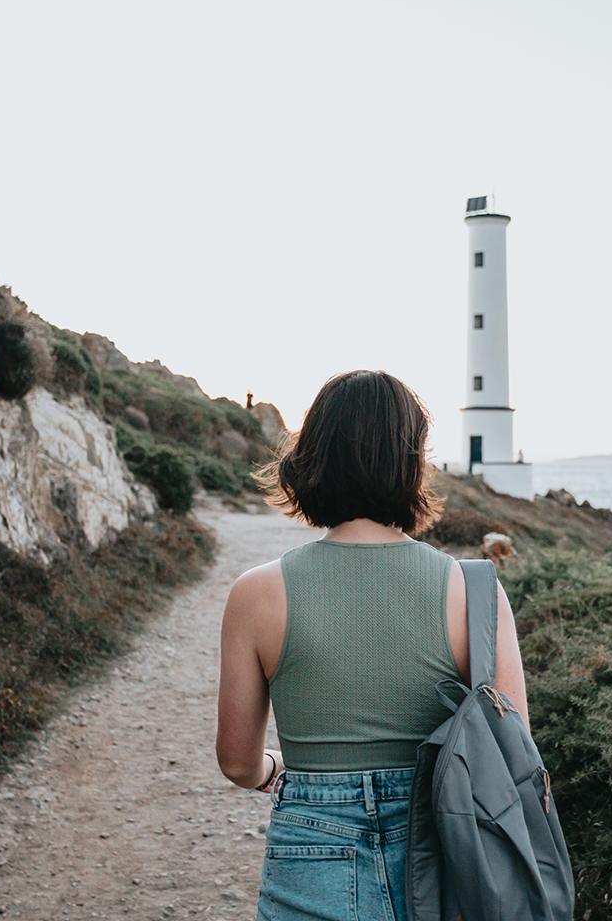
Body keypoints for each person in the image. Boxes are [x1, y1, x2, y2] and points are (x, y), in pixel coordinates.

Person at [217, 370, 528, 921]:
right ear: (412, 462)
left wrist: (276, 771)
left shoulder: (256, 594)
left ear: (310, 459)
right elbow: (512, 752)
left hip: (309, 848)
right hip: (444, 854)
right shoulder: (475, 590)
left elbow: (238, 762)